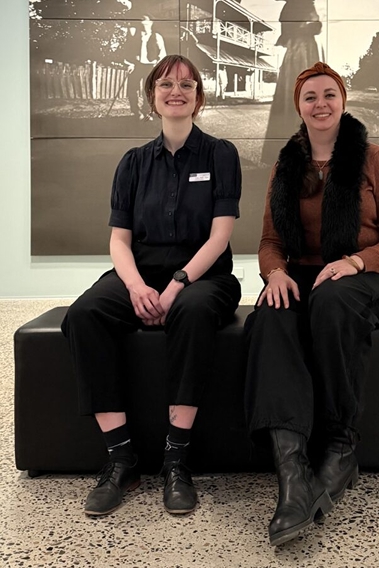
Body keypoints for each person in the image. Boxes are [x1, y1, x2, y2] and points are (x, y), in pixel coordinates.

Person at [61, 54, 242, 517]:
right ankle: (121, 458)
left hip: (204, 276)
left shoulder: (221, 154)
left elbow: (220, 236)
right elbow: (119, 241)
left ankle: (176, 460)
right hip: (141, 272)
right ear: (151, 97)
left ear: (199, 97)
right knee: (84, 315)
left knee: (192, 311)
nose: (175, 91)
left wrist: (178, 283)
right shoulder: (133, 162)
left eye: (186, 84)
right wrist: (138, 287)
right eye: (165, 84)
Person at [244, 61, 379, 546]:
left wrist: (355, 262)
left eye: (329, 94)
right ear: (299, 107)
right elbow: (271, 242)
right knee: (270, 315)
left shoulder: (374, 158)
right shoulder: (286, 166)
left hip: (371, 274)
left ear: (343, 101)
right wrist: (275, 273)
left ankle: (340, 447)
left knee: (332, 302)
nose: (320, 104)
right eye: (310, 97)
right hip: (303, 273)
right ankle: (292, 471)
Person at [260, 0, 324, 164]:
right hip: (303, 51)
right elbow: (312, 27)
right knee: (304, 93)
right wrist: (312, 26)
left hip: (297, 51)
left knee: (294, 95)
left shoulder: (291, 4)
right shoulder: (303, 1)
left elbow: (286, 30)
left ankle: (293, 150)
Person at [126, 15, 167, 121]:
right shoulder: (134, 36)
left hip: (150, 65)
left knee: (148, 90)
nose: (144, 26)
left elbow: (162, 53)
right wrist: (130, 63)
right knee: (132, 88)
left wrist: (157, 65)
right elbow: (128, 51)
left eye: (146, 24)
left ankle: (147, 112)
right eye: (142, 24)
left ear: (151, 23)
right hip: (136, 65)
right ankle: (136, 111)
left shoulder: (157, 37)